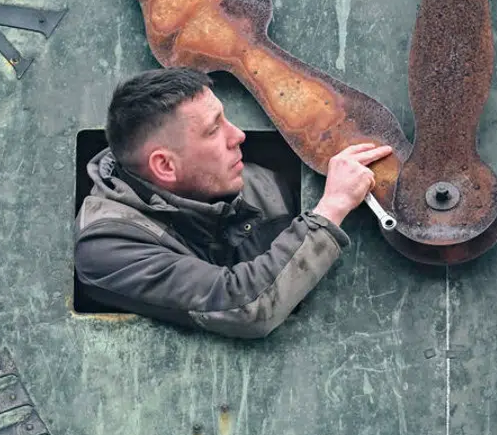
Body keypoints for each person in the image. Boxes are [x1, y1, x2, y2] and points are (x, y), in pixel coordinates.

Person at [74, 67, 392, 338]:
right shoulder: (107, 246)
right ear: (165, 166)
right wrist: (333, 207)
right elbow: (243, 305)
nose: (238, 135)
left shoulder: (262, 186)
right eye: (214, 129)